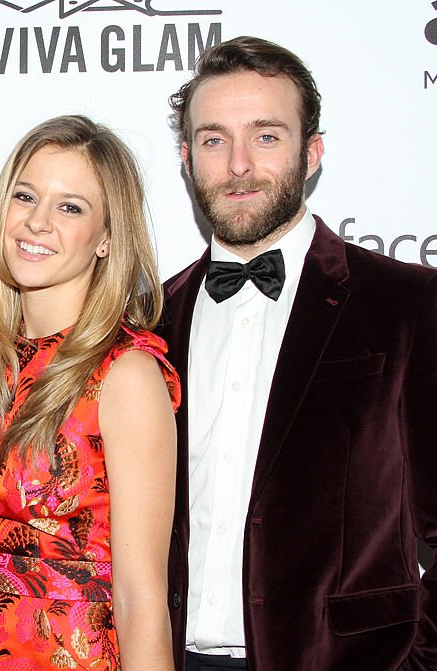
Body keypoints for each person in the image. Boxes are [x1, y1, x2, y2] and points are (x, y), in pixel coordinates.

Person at [160, 35, 437, 671]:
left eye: (265, 136)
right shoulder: (149, 319)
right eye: (212, 139)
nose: (237, 165)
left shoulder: (405, 304)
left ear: (311, 154)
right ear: (185, 156)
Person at [0, 115, 180, 671]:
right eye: (25, 196)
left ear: (106, 239)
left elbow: (141, 595)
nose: (37, 222)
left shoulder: (126, 374)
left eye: (70, 207)